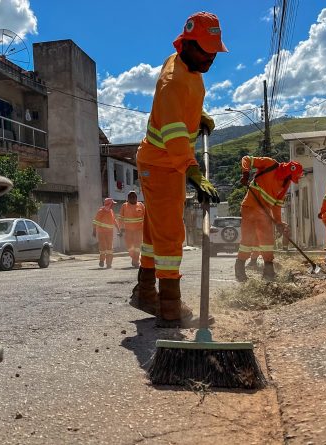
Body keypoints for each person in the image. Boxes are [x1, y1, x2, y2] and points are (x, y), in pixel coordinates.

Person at [130, 11, 225, 328]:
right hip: (162, 163)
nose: (211, 57)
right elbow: (173, 138)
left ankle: (145, 291)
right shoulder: (172, 81)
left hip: (163, 161)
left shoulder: (187, 65)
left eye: (214, 50)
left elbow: (183, 105)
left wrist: (199, 115)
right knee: (170, 233)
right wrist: (194, 173)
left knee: (153, 230)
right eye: (206, 50)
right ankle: (169, 304)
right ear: (187, 43)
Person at [237, 156, 303, 282]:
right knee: (248, 240)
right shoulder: (269, 164)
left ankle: (268, 272)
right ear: (288, 172)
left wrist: (278, 222)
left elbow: (277, 204)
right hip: (250, 207)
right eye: (290, 177)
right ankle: (239, 269)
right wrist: (246, 173)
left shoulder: (286, 183)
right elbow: (246, 159)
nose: (290, 180)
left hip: (264, 213)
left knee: (267, 241)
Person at [117, 191, 145, 267]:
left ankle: (136, 261)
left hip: (139, 230)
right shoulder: (124, 206)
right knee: (130, 247)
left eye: (134, 197)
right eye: (131, 197)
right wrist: (121, 228)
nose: (133, 198)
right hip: (128, 230)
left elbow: (146, 217)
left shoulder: (141, 205)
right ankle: (134, 258)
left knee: (137, 246)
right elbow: (120, 218)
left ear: (136, 198)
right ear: (128, 198)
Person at [92, 198, 121, 269]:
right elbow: (95, 221)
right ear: (109, 204)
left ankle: (109, 263)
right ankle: (102, 260)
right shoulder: (101, 211)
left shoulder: (111, 211)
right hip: (101, 232)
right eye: (112, 204)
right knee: (103, 247)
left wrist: (118, 229)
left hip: (109, 233)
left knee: (110, 249)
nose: (113, 205)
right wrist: (94, 231)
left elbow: (114, 220)